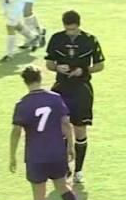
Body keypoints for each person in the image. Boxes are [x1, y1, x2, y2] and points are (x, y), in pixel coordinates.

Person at [44, 10, 105, 183]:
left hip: (81, 89)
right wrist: (57, 68)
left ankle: (79, 170)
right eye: (68, 30)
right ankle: (64, 168)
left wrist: (84, 70)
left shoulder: (90, 40)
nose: (71, 33)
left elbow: (100, 65)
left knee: (80, 129)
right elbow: (49, 63)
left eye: (73, 30)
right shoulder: (56, 39)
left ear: (78, 26)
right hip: (61, 88)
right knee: (60, 129)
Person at [10, 66, 79, 200]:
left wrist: (12, 156)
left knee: (39, 194)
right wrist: (70, 146)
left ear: (25, 81)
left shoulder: (22, 104)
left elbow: (16, 131)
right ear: (40, 79)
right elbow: (66, 124)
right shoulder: (55, 98)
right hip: (56, 153)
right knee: (62, 186)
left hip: (36, 156)